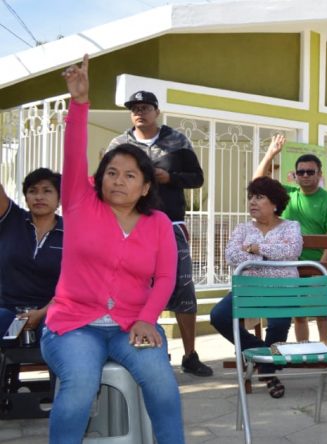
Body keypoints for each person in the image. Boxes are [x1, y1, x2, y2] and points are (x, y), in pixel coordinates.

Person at [43, 54, 183, 444]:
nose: (118, 181)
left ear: (144, 187)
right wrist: (79, 102)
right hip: (73, 326)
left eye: (130, 176)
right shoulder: (79, 203)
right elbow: (73, 153)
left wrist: (147, 318)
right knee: (79, 387)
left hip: (131, 325)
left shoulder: (157, 224)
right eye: (111, 173)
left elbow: (166, 277)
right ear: (99, 178)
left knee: (164, 387)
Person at [107, 89, 212, 377]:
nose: (139, 112)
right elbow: (104, 178)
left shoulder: (177, 140)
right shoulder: (119, 144)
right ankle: (139, 348)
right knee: (132, 286)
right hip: (130, 224)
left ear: (156, 111)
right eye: (134, 108)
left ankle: (190, 355)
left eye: (145, 107)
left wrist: (171, 178)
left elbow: (198, 178)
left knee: (183, 288)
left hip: (171, 224)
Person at [209, 176, 302, 399]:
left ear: (275, 203)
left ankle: (267, 371)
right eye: (251, 197)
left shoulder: (291, 226)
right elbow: (231, 255)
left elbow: (291, 251)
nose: (253, 201)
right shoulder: (243, 228)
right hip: (248, 288)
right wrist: (265, 252)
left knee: (279, 323)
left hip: (282, 289)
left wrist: (254, 248)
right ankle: (262, 356)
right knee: (219, 315)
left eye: (259, 197)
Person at [254, 134, 327, 343]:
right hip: (287, 267)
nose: (305, 175)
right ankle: (303, 348)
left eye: (310, 172)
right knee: (298, 314)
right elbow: (258, 183)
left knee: (321, 311)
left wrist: (320, 269)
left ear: (319, 174)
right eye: (300, 172)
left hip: (317, 265)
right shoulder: (287, 194)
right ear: (294, 175)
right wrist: (270, 154)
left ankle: (323, 349)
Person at [0, 167, 63, 342]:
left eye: (47, 191)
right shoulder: (11, 220)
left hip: (51, 312)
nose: (39, 196)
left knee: (59, 340)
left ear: (59, 198)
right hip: (10, 312)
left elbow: (76, 284)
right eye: (32, 191)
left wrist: (42, 313)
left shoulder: (71, 233)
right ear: (26, 198)